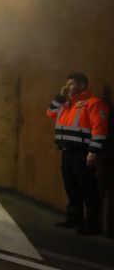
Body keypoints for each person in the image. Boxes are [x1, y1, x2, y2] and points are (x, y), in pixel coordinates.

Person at [47, 72, 109, 235]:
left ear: (82, 85)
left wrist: (93, 152)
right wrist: (60, 96)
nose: (68, 87)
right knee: (71, 187)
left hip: (82, 153)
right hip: (67, 153)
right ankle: (74, 218)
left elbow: (100, 130)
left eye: (72, 84)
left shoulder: (93, 104)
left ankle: (92, 224)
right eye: (67, 84)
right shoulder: (66, 104)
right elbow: (50, 112)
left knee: (87, 188)